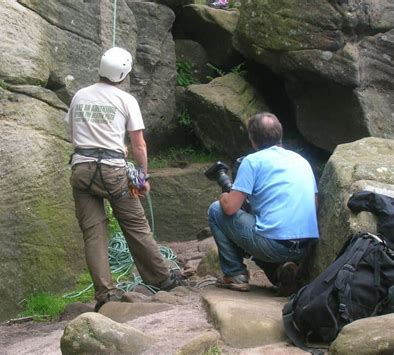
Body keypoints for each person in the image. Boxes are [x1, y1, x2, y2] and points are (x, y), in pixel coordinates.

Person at [65, 47, 185, 311]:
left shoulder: (79, 96)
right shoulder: (125, 100)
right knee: (136, 225)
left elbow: (74, 132)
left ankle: (106, 295)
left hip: (82, 170)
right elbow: (139, 145)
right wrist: (142, 177)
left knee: (93, 234)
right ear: (123, 73)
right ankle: (163, 279)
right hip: (114, 172)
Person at [208, 112, 319, 296]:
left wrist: (224, 196)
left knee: (216, 210)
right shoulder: (302, 160)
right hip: (304, 247)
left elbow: (229, 208)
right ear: (280, 135)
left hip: (273, 246)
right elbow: (314, 204)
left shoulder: (252, 161)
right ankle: (283, 273)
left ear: (252, 139)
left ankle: (234, 274)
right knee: (264, 226)